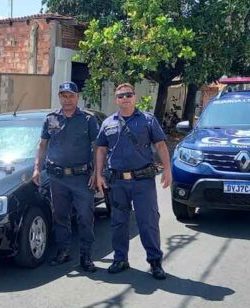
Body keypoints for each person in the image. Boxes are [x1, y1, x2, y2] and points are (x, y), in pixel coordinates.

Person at [96, 83, 171, 280]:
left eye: (128, 95)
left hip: (142, 182)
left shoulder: (147, 120)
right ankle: (120, 259)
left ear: (134, 97)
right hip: (117, 182)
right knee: (118, 222)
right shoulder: (108, 123)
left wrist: (168, 169)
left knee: (148, 221)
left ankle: (155, 261)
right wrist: (98, 174)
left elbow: (161, 145)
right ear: (116, 99)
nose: (125, 98)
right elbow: (101, 150)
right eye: (121, 96)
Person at [32, 81, 99, 272]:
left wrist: (96, 172)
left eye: (71, 96)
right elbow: (42, 145)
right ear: (59, 97)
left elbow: (97, 147)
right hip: (57, 178)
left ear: (77, 97)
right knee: (60, 216)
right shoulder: (51, 119)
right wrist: (37, 168)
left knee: (85, 217)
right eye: (64, 96)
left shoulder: (87, 119)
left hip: (81, 178)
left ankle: (86, 256)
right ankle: (64, 251)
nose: (67, 99)